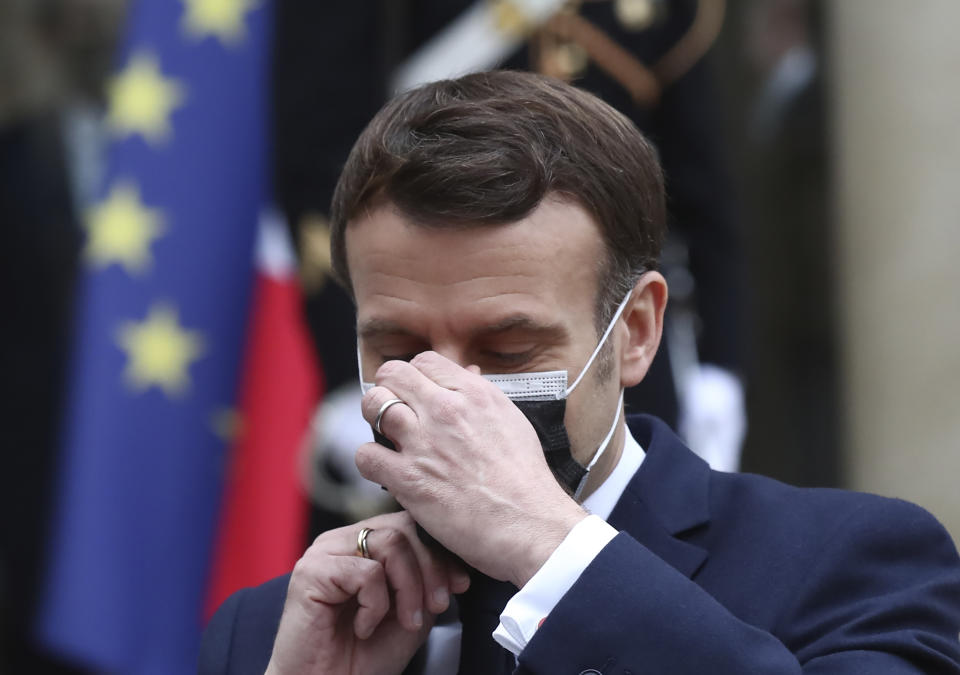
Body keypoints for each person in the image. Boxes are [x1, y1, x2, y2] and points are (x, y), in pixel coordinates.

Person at [199, 70, 960, 674]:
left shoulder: (851, 564)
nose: (451, 397)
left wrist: (549, 550)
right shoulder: (275, 628)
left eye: (507, 349)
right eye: (399, 346)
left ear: (635, 332)